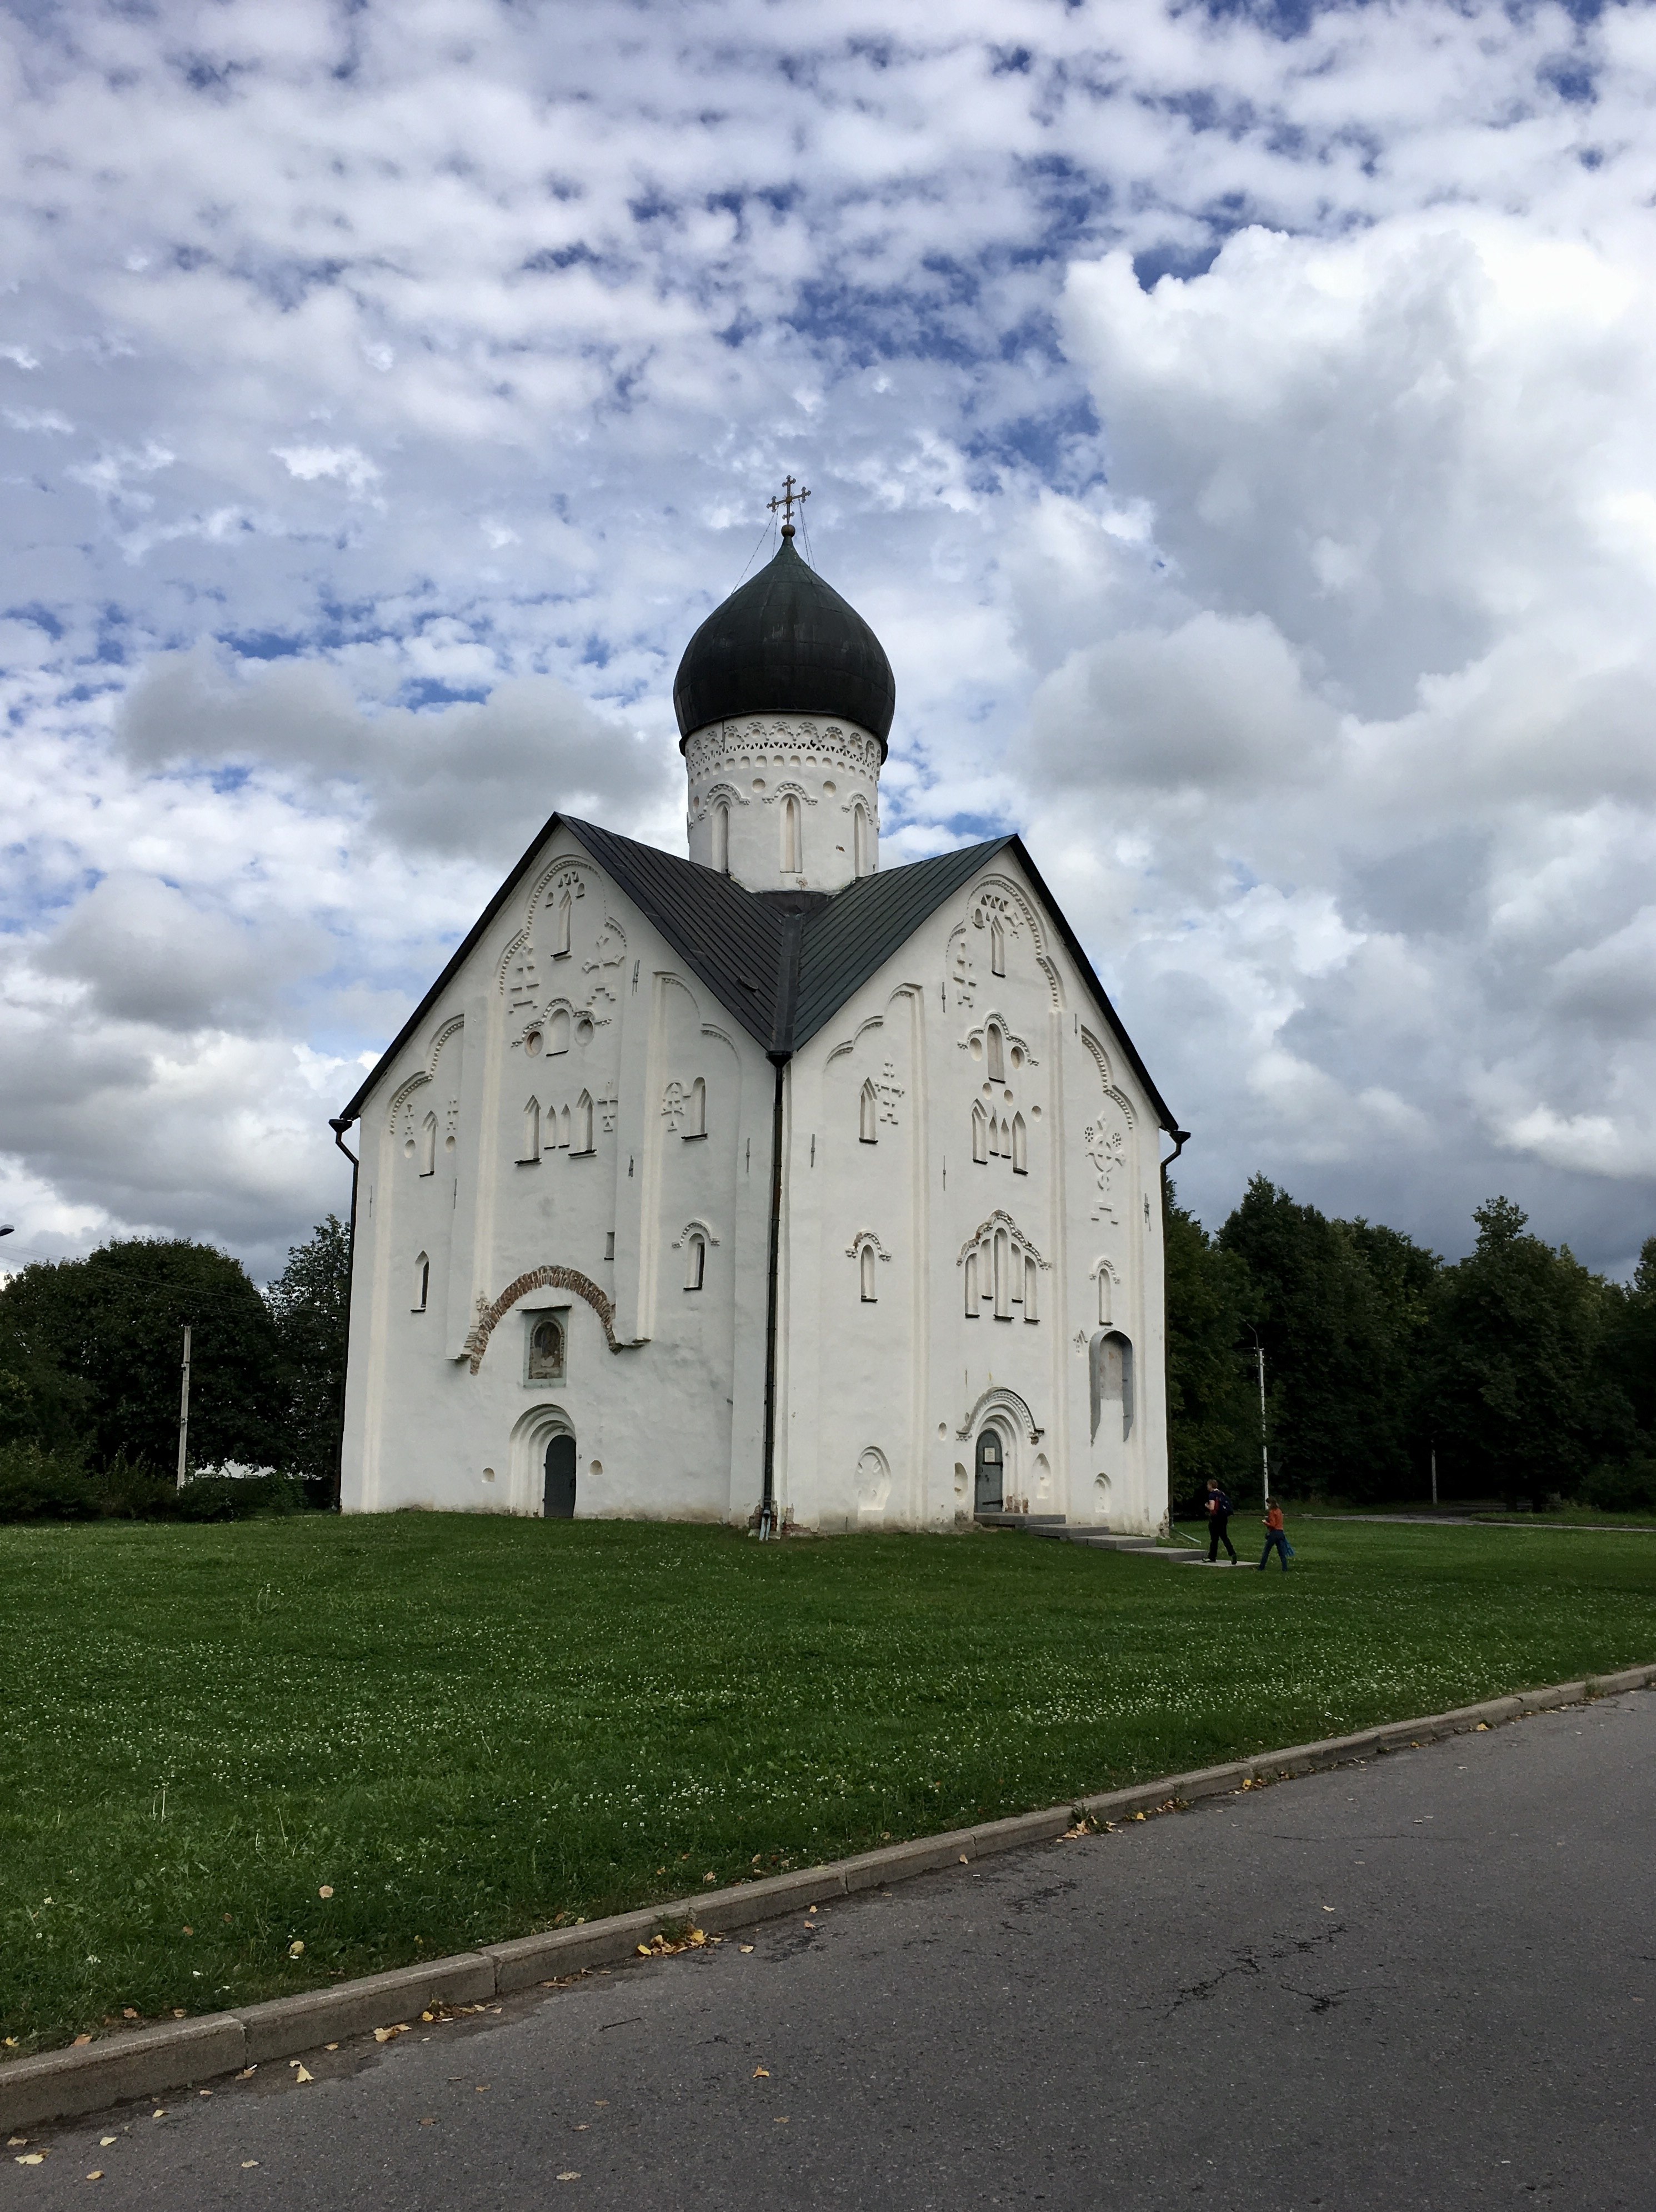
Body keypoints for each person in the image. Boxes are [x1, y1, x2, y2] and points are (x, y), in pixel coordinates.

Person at [1204, 1479, 1238, 1564]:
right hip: (1224, 1518)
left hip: (1215, 1518)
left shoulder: (1212, 1495)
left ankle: (1212, 1557)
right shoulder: (1221, 1493)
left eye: (1208, 1485)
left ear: (1211, 1486)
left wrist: (1207, 1506)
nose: (1207, 1487)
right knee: (1224, 1537)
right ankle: (1232, 1553)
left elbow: (1212, 1507)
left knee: (1214, 1539)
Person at [1259, 1497, 1290, 1572]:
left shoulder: (1272, 1512)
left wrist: (1265, 1523)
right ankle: (1285, 1568)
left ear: (1270, 1504)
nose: (1267, 1505)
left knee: (1267, 1551)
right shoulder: (1279, 1511)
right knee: (1281, 1552)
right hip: (1281, 1532)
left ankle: (1261, 1567)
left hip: (1274, 1533)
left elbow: (1273, 1525)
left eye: (1268, 1504)